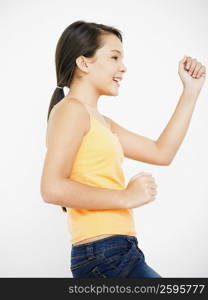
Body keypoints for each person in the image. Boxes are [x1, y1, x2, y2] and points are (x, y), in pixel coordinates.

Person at [40, 20, 206, 278]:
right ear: (84, 63)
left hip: (118, 251)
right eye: (114, 57)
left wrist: (191, 92)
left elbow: (162, 152)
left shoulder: (101, 122)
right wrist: (126, 197)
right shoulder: (71, 110)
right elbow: (52, 188)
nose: (123, 68)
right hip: (105, 254)